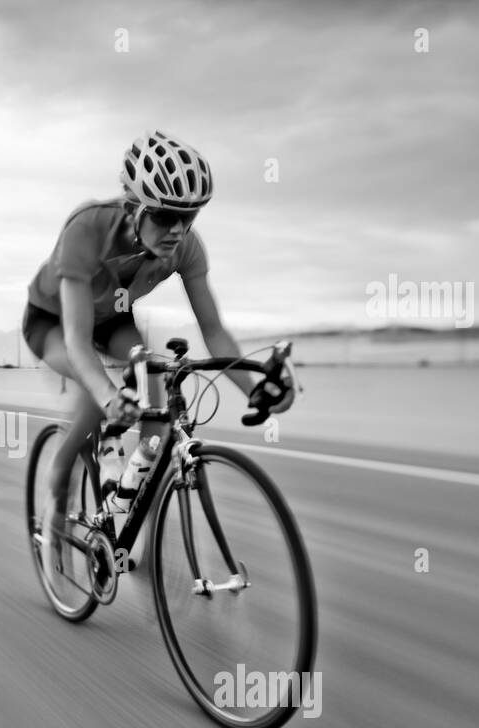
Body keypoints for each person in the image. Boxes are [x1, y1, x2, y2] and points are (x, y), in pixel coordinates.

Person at [22, 129, 292, 551]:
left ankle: (132, 512)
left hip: (113, 320)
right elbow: (76, 338)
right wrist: (109, 395)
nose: (178, 231)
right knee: (97, 402)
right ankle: (59, 481)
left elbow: (214, 331)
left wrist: (257, 390)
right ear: (134, 208)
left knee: (156, 396)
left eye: (190, 217)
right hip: (54, 321)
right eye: (166, 216)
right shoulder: (87, 229)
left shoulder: (186, 247)